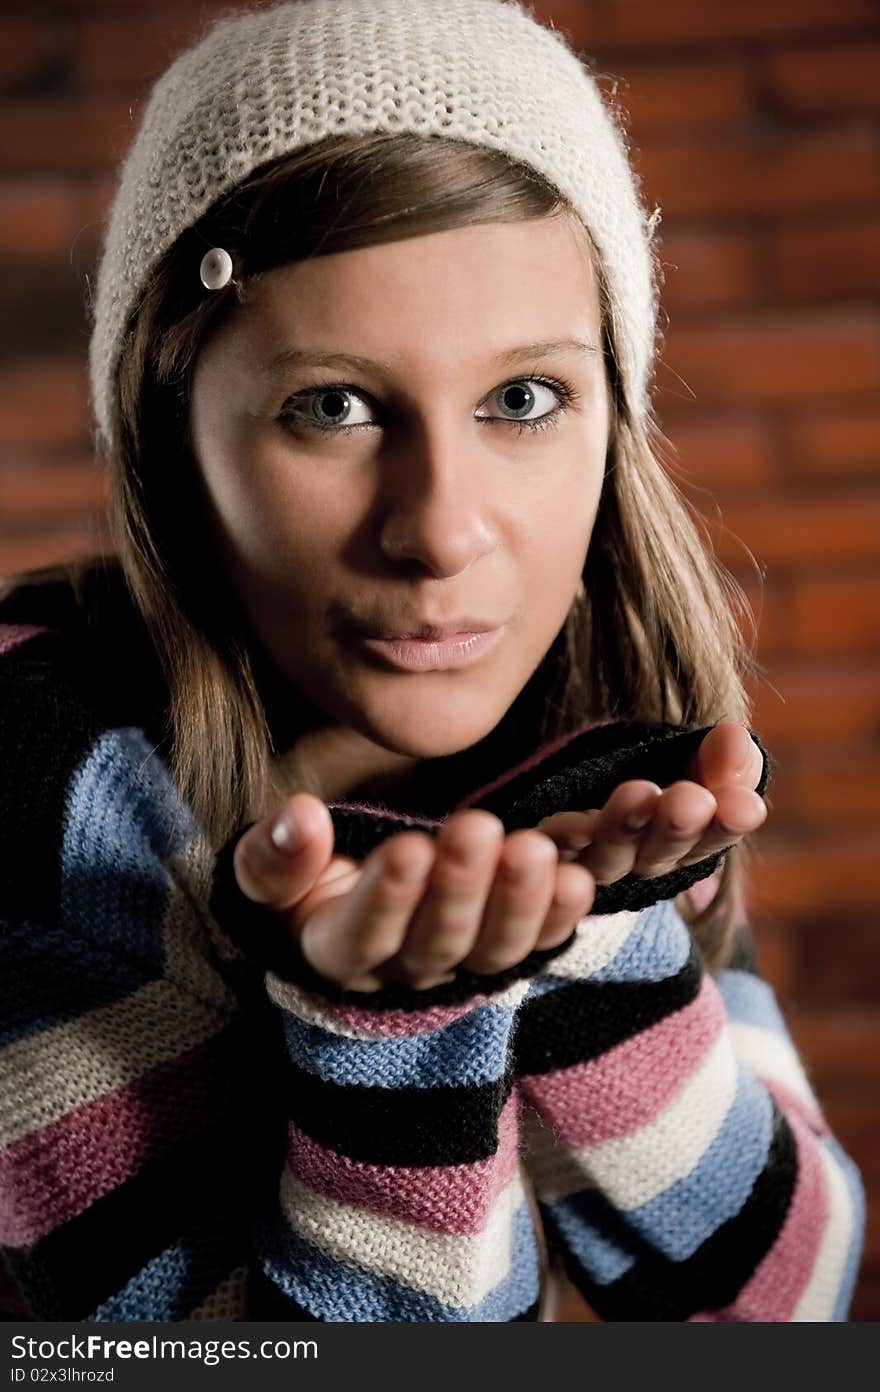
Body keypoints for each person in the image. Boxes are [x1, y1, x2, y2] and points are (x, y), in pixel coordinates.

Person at [0, 0, 864, 1323]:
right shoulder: (35, 787)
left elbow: (789, 1302)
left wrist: (586, 935)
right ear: (173, 438)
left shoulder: (612, 764)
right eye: (332, 407)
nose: (439, 531)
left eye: (523, 400)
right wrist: (396, 1040)